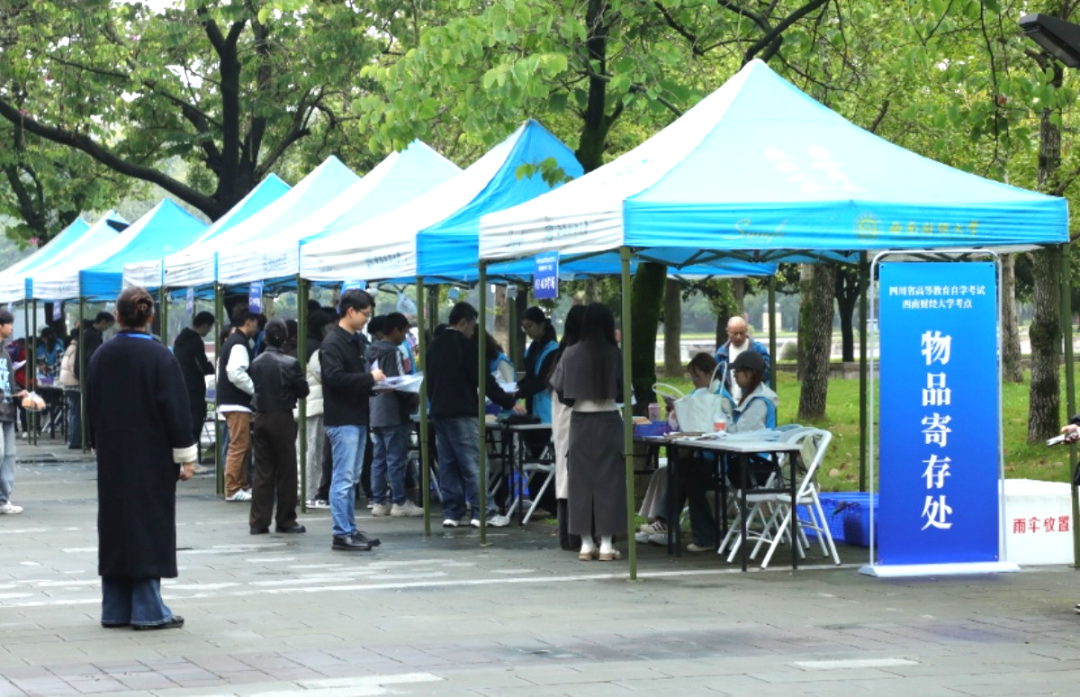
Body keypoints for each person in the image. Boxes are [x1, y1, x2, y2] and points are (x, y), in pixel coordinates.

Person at [86, 286, 197, 630]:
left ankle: (115, 607)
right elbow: (177, 409)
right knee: (149, 524)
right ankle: (148, 608)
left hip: (113, 457)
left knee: (115, 524)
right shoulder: (161, 357)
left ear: (117, 316)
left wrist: (98, 444)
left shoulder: (102, 355)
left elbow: (92, 405)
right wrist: (186, 456)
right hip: (152, 457)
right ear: (150, 317)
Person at [426, 302, 519, 529]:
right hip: (463, 412)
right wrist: (509, 401)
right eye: (472, 326)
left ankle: (452, 512)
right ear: (463, 322)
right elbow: (485, 381)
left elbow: (428, 381)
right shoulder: (467, 347)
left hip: (438, 412)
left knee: (448, 465)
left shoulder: (433, 346)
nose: (473, 332)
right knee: (474, 464)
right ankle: (484, 512)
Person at [550, 303, 626, 561]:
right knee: (609, 483)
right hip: (609, 420)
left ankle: (585, 543)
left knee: (580, 482)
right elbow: (623, 392)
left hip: (580, 421)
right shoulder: (615, 354)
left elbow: (561, 391)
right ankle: (606, 544)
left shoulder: (570, 353)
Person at [321, 288, 385, 552]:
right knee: (344, 479)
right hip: (342, 419)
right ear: (350, 311)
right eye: (365, 314)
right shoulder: (333, 342)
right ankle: (341, 533)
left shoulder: (355, 340)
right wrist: (369, 379)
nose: (367, 319)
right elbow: (334, 378)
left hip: (357, 416)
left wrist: (374, 386)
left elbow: (353, 379)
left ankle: (349, 529)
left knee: (352, 477)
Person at [248, 319, 309, 535]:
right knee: (286, 471)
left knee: (263, 471)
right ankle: (285, 519)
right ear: (284, 337)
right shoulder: (290, 363)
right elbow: (303, 390)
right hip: (282, 416)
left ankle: (258, 521)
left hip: (261, 415)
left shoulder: (256, 362)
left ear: (265, 337)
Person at [367, 312, 422, 518]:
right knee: (396, 459)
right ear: (396, 330)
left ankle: (379, 501)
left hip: (375, 410)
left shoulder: (370, 352)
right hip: (394, 412)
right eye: (404, 332)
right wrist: (413, 394)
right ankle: (399, 501)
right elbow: (400, 383)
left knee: (379, 459)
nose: (405, 337)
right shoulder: (394, 352)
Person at [548, 304, 586, 550]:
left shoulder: (563, 353)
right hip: (573, 419)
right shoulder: (575, 355)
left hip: (562, 421)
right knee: (574, 477)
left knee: (565, 477)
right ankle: (575, 535)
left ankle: (568, 535)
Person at [217, 309, 260, 502]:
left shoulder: (234, 341)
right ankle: (233, 488)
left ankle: (241, 485)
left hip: (232, 402)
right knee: (239, 446)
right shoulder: (239, 343)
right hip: (236, 403)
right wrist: (254, 389)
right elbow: (235, 373)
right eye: (256, 323)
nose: (257, 328)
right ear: (248, 321)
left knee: (243, 445)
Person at [173, 311, 215, 463]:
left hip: (181, 385)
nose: (209, 331)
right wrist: (211, 368)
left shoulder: (180, 339)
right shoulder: (195, 341)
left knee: (185, 421)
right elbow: (201, 365)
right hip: (194, 387)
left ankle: (184, 457)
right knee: (196, 421)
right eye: (209, 327)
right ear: (204, 325)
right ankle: (191, 459)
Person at [301, 310, 332, 508]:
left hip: (304, 403)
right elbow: (323, 375)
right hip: (316, 404)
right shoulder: (317, 349)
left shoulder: (301, 344)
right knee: (314, 450)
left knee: (304, 449)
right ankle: (310, 493)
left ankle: (303, 490)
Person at [0, 310, 28, 515]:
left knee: (9, 455)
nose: (11, 327)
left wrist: (20, 393)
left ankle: (3, 499)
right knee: (1, 453)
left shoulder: (6, 353)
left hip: (8, 410)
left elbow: (9, 382)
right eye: (8, 323)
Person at [714, 316, 771, 404]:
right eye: (735, 333)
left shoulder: (758, 350)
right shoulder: (720, 354)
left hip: (753, 401)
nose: (739, 337)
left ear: (746, 330)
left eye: (742, 333)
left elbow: (767, 373)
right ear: (728, 331)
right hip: (729, 402)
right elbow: (716, 380)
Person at [518, 307, 559, 423]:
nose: (527, 331)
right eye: (524, 328)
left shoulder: (553, 350)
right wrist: (515, 387)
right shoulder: (531, 349)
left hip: (547, 410)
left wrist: (518, 391)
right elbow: (530, 377)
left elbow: (541, 381)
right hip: (533, 409)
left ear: (541, 325)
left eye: (530, 326)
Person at [76, 312, 116, 381]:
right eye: (108, 325)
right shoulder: (94, 336)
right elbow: (93, 356)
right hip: (88, 373)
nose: (107, 328)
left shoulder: (86, 332)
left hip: (81, 372)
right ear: (103, 322)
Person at [60, 328, 82, 449]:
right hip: (75, 384)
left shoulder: (70, 347)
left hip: (68, 384)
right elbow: (75, 367)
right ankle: (75, 440)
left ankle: (73, 439)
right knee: (77, 413)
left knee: (73, 412)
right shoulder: (76, 349)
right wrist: (81, 378)